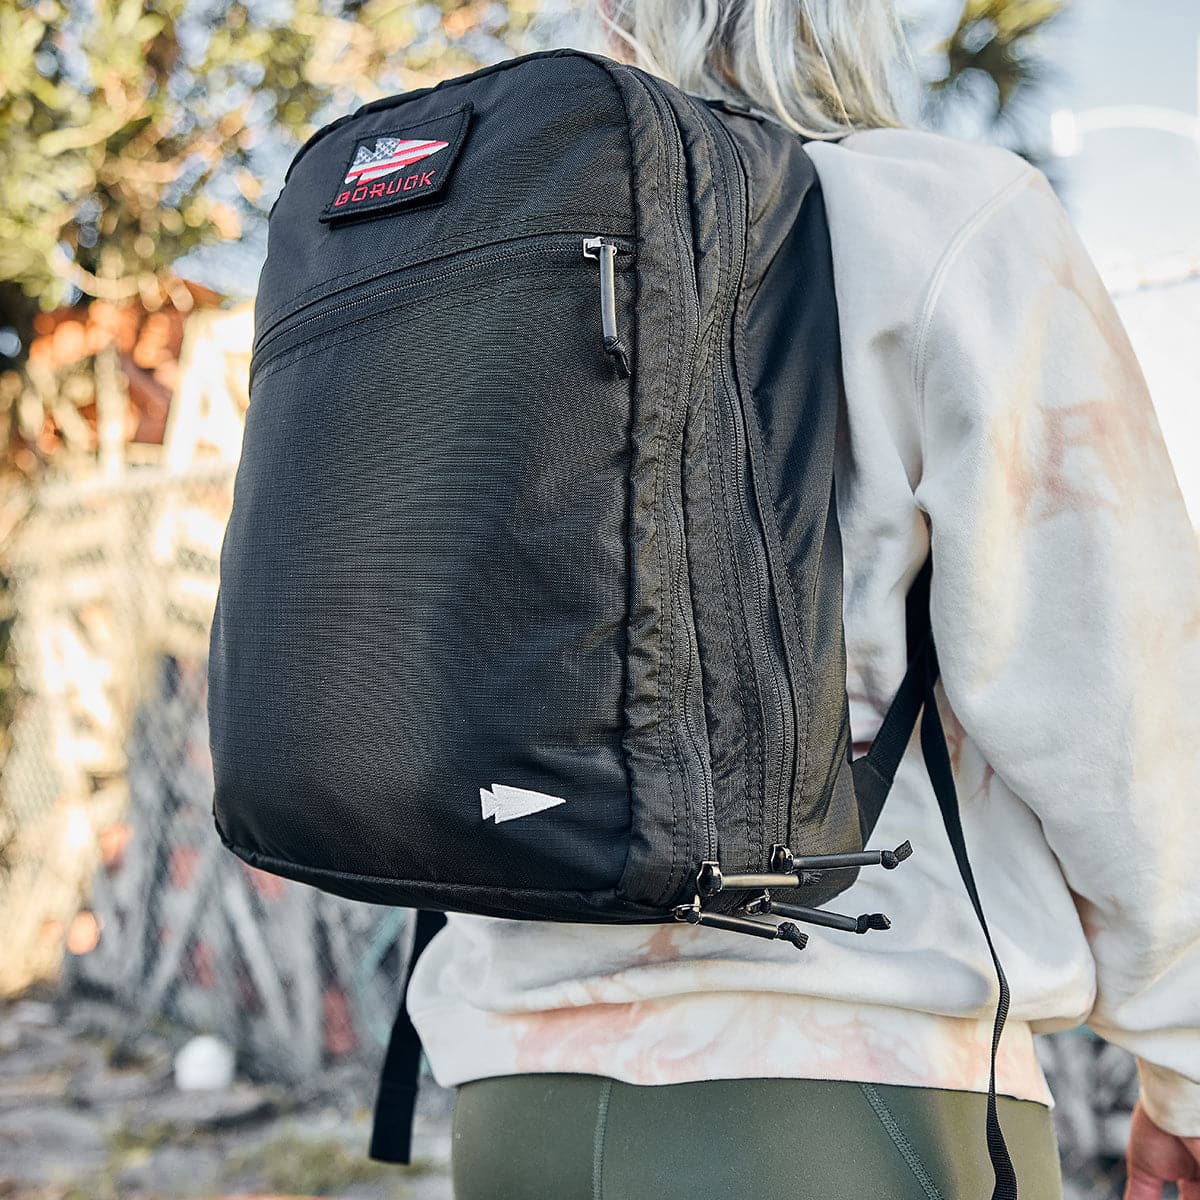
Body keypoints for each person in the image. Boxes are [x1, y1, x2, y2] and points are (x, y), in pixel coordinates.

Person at [406, 2, 1200, 1196]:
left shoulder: (473, 248)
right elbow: (1121, 705)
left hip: (514, 1098)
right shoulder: (945, 217)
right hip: (860, 1086)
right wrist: (1187, 1067)